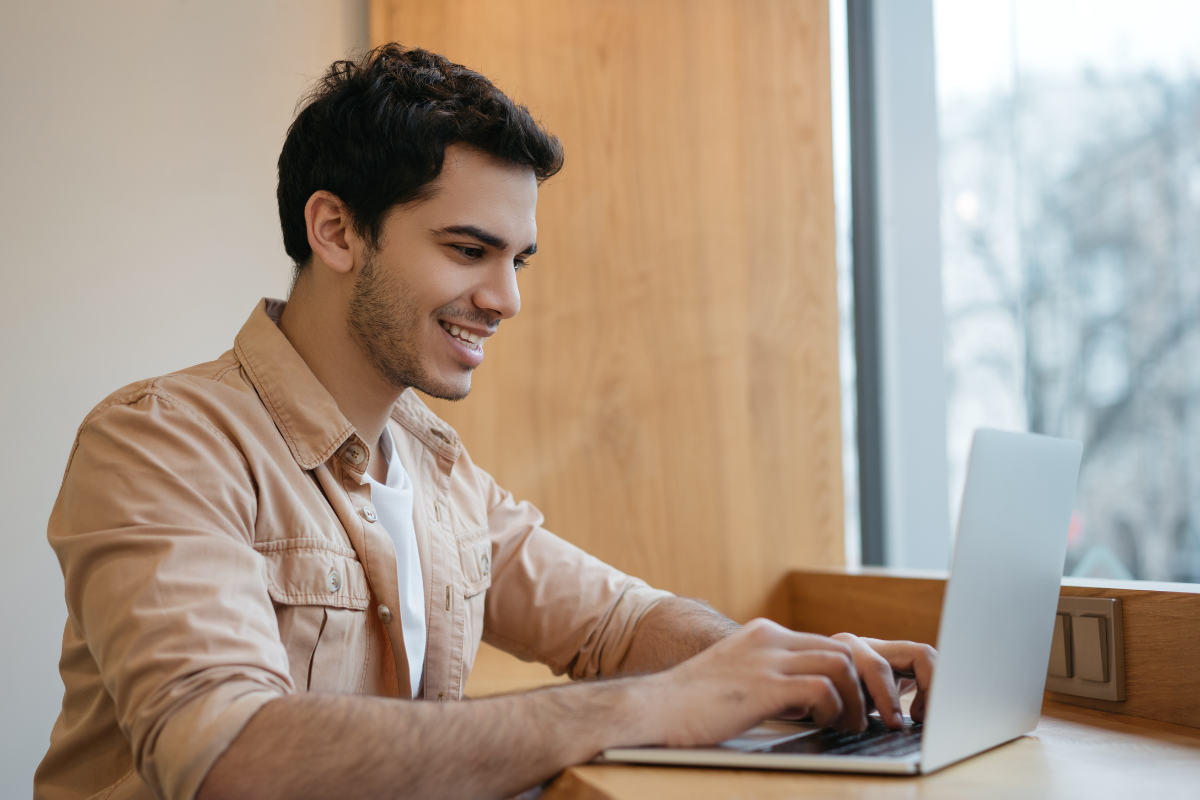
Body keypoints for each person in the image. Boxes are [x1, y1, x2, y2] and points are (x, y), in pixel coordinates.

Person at [35, 45, 936, 800]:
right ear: (337, 231)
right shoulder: (159, 443)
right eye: (469, 250)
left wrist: (794, 666)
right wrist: (652, 706)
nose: (504, 299)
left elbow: (615, 623)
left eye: (518, 261)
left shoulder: (433, 466)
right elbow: (227, 754)